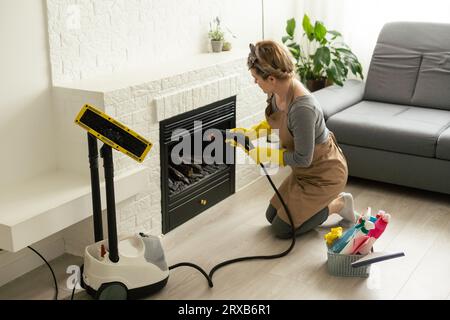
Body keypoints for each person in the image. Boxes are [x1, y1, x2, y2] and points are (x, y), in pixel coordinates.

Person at [229, 41, 357, 238]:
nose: (255, 82)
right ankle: (316, 206)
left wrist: (269, 155)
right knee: (271, 216)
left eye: (256, 78)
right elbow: (279, 122)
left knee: (282, 229)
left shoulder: (302, 108)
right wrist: (251, 133)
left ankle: (339, 204)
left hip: (324, 174)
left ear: (271, 78)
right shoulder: (278, 92)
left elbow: (303, 158)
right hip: (303, 173)